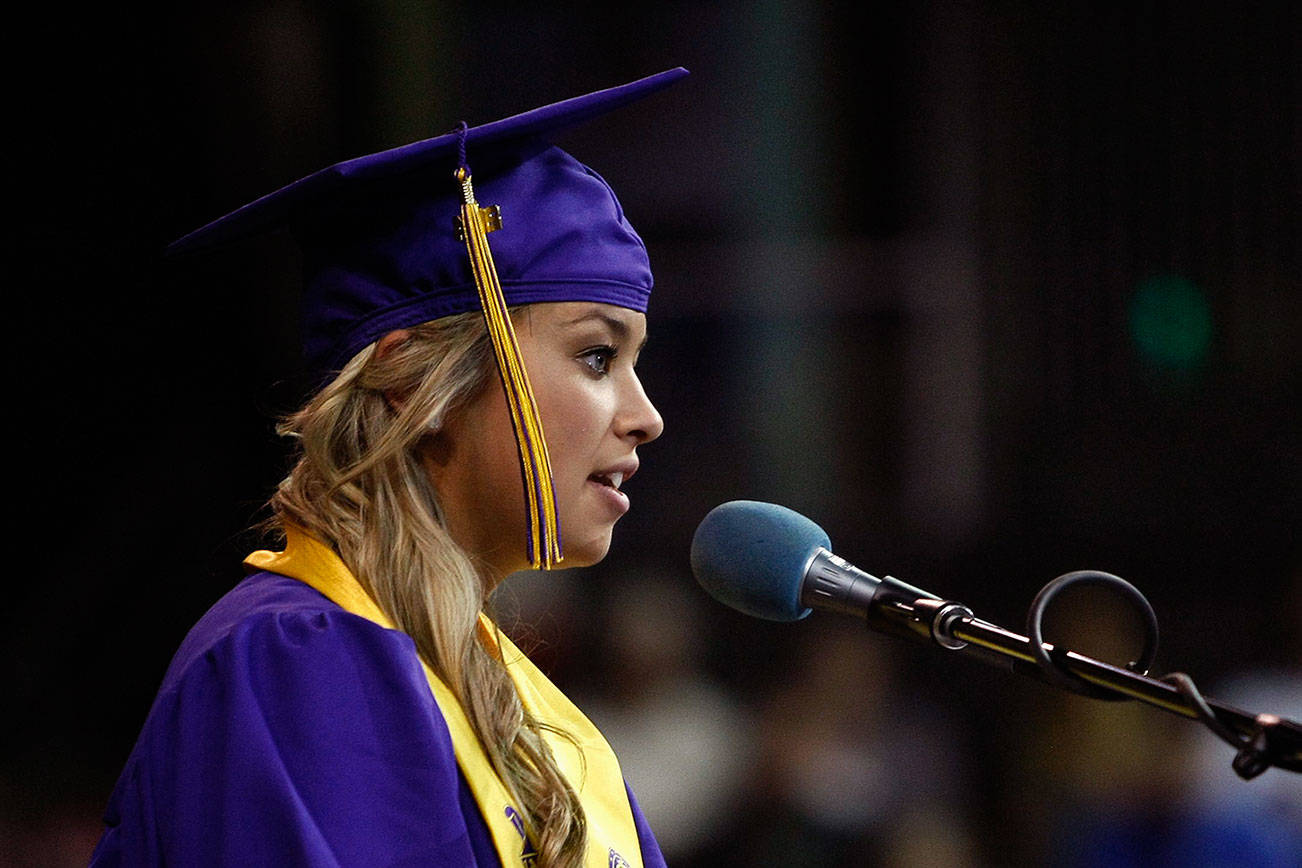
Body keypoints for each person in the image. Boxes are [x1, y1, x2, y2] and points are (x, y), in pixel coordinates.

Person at [90, 68, 687, 867]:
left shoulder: (537, 722)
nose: (645, 415)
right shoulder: (294, 663)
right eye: (596, 356)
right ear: (414, 384)